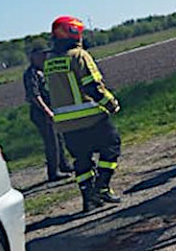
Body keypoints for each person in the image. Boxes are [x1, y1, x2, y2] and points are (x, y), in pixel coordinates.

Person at [44, 16, 122, 212]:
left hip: (65, 123)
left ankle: (88, 198)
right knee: (111, 147)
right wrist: (111, 104)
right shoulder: (79, 56)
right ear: (74, 33)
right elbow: (92, 86)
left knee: (82, 160)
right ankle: (102, 187)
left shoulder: (50, 62)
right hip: (90, 117)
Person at [22, 47, 73, 181]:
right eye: (42, 54)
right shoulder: (31, 73)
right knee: (52, 142)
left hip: (52, 108)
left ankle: (64, 165)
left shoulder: (44, 70)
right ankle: (53, 172)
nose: (45, 57)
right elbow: (35, 96)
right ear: (33, 56)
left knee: (59, 138)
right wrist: (47, 111)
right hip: (41, 112)